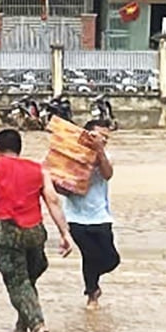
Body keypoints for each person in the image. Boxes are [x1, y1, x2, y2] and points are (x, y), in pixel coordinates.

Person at [0, 128, 74, 332]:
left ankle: (37, 324)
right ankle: (21, 327)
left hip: (9, 231)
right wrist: (65, 233)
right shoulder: (39, 169)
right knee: (28, 279)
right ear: (19, 149)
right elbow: (52, 200)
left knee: (17, 283)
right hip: (36, 232)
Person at [58, 120, 119, 307]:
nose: (104, 139)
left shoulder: (106, 156)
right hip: (75, 217)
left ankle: (92, 283)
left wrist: (99, 151)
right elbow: (60, 185)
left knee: (111, 259)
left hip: (100, 215)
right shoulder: (71, 155)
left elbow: (108, 174)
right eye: (100, 135)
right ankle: (92, 294)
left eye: (106, 137)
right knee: (89, 255)